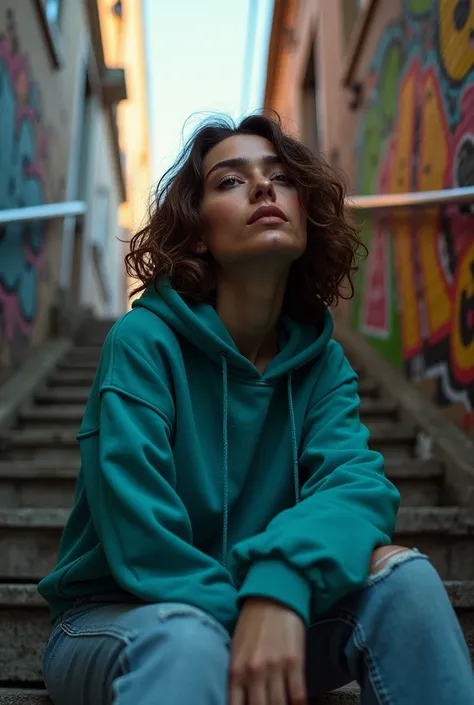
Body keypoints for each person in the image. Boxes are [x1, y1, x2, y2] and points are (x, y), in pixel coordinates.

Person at [39, 114, 473, 705]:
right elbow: (143, 541)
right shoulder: (141, 343)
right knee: (188, 642)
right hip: (117, 619)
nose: (265, 188)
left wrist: (281, 583)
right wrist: (256, 608)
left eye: (281, 177)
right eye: (230, 181)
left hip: (270, 616)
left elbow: (356, 488)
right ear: (196, 231)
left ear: (305, 210)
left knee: (406, 582)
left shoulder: (323, 365)